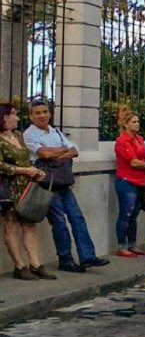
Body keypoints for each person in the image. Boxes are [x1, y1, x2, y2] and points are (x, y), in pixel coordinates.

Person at [24, 100, 109, 273]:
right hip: (47, 185)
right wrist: (61, 151)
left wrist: (55, 152)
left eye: (45, 112)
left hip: (63, 182)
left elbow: (74, 151)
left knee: (77, 218)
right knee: (59, 222)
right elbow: (44, 154)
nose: (42, 115)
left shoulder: (55, 131)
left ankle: (87, 256)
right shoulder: (30, 134)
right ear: (31, 116)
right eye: (38, 113)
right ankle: (65, 259)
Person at [0, 103, 55, 280]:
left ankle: (36, 264)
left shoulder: (19, 136)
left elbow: (26, 158)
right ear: (4, 118)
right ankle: (19, 265)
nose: (17, 117)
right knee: (11, 226)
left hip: (25, 186)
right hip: (8, 188)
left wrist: (34, 171)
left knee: (29, 225)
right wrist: (23, 171)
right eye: (14, 114)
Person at [114, 108, 145, 257]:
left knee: (134, 215)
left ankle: (132, 244)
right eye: (134, 122)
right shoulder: (122, 141)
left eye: (138, 122)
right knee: (126, 213)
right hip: (127, 180)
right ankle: (122, 245)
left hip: (140, 181)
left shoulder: (139, 139)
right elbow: (133, 162)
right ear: (126, 124)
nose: (137, 124)